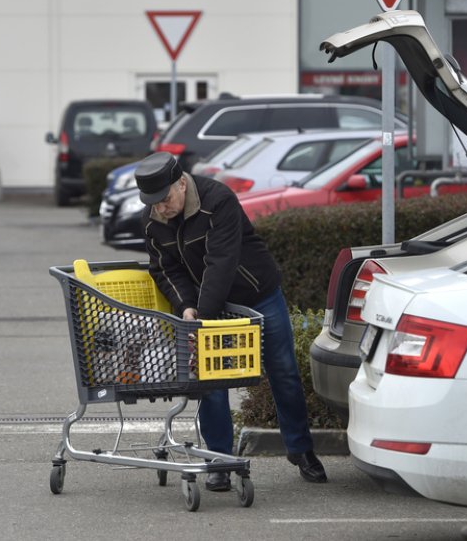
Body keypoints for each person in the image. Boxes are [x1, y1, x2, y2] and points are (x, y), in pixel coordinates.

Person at [135, 151, 327, 492]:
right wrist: (186, 308)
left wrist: (202, 316)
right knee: (212, 380)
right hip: (208, 302)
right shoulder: (153, 220)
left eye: (164, 200)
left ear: (181, 184)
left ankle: (301, 450)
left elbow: (221, 262)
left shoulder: (218, 200)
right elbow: (166, 269)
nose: (159, 209)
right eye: (152, 203)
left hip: (257, 295)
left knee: (282, 370)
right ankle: (218, 462)